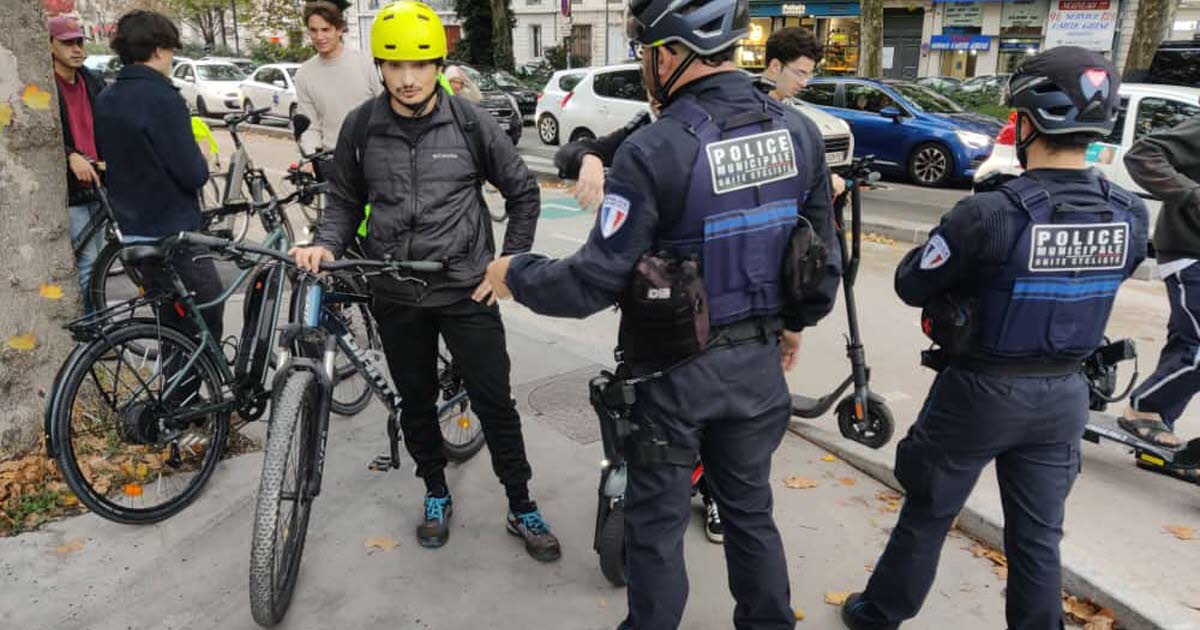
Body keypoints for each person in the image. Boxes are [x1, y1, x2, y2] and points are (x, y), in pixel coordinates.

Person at [486, 0, 841, 626]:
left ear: (668, 54)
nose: (644, 66)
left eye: (644, 52)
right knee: (750, 513)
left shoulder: (656, 149)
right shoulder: (800, 133)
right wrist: (792, 325)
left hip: (674, 376)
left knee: (655, 527)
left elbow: (593, 282)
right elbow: (822, 265)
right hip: (759, 371)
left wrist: (516, 273)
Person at [840, 46, 1149, 630]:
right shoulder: (1129, 213)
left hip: (980, 393)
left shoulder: (991, 214)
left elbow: (911, 283)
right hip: (1064, 397)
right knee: (1037, 536)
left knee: (929, 512)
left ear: (1029, 124)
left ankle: (878, 615)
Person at [289, 1, 559, 562]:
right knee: (415, 400)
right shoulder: (363, 125)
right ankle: (435, 491)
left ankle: (521, 502)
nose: (408, 79)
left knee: (494, 403)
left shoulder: (470, 123)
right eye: (394, 66)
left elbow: (523, 193)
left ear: (438, 64)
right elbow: (344, 201)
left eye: (420, 65)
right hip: (395, 289)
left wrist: (508, 265)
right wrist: (326, 243)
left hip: (465, 287)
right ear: (381, 67)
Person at [94, 10, 222, 340]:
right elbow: (192, 173)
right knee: (205, 320)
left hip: (133, 231)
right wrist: (201, 156)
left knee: (173, 329)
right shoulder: (164, 98)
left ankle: (177, 389)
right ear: (159, 49)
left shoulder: (106, 98)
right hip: (173, 233)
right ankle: (193, 392)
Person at [1119, 114, 1200, 449]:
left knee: (1188, 341)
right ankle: (1145, 410)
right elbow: (1144, 153)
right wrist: (1194, 196)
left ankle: (1157, 421)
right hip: (1191, 250)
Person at [50, 16, 107, 314]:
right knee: (89, 263)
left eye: (79, 41)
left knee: (97, 262)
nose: (76, 48)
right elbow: (46, 136)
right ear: (50, 46)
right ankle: (95, 331)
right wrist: (69, 154)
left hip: (98, 184)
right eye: (67, 42)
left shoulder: (93, 81)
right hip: (70, 190)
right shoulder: (44, 87)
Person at [754, 26, 846, 199]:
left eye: (809, 75)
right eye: (800, 73)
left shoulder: (790, 108)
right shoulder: (750, 110)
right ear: (775, 66)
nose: (804, 83)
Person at [293, 1, 381, 162]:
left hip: (372, 158)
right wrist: (311, 160)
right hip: (333, 162)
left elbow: (388, 111)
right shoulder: (304, 74)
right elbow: (310, 125)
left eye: (325, 29)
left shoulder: (366, 64)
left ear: (339, 29)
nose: (319, 37)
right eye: (313, 30)